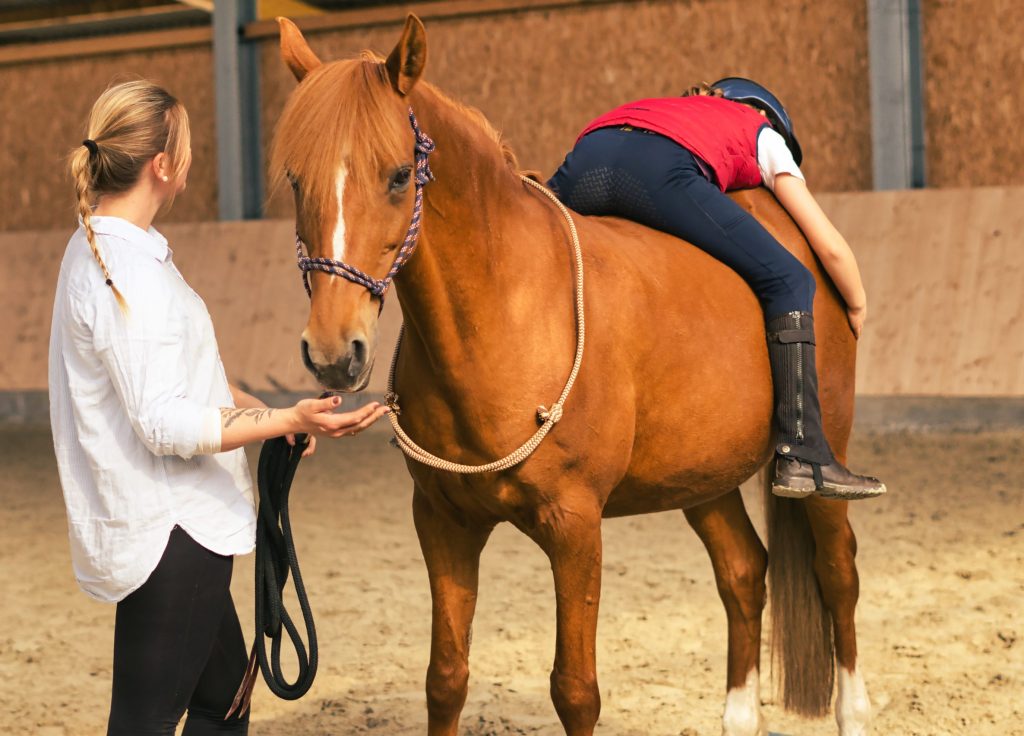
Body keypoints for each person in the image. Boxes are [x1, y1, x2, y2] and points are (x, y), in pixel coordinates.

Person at [49, 79, 389, 736]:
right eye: (187, 144)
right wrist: (291, 421)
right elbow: (160, 422)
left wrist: (261, 408)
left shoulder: (110, 249)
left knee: (225, 702)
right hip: (174, 533)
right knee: (144, 724)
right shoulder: (130, 274)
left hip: (173, 529)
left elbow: (169, 374)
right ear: (163, 166)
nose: (194, 156)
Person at [547, 77, 884, 500]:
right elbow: (829, 246)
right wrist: (856, 302)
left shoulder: (663, 108)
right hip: (657, 171)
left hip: (586, 156)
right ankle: (804, 454)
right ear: (766, 116)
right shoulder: (760, 131)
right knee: (790, 279)